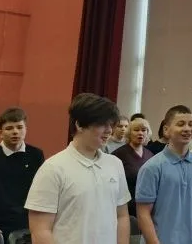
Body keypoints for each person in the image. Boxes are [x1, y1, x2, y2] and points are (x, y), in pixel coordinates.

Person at [25, 93, 130, 244]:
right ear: (79, 125)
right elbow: (40, 230)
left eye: (110, 124)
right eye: (102, 124)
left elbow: (122, 216)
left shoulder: (115, 164)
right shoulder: (53, 168)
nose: (109, 130)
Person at [135, 105, 192, 244]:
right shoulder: (152, 167)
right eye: (181, 124)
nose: (187, 129)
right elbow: (143, 214)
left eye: (191, 124)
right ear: (166, 130)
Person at [0, 108, 45, 240]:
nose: (15, 132)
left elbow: (42, 192)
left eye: (19, 127)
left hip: (28, 225)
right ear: (0, 133)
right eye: (9, 128)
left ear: (26, 129)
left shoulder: (36, 155)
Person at [112, 117, 155, 217]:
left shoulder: (150, 155)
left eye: (143, 130)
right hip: (126, 208)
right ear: (129, 133)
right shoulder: (118, 155)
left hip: (147, 206)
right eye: (136, 130)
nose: (140, 133)